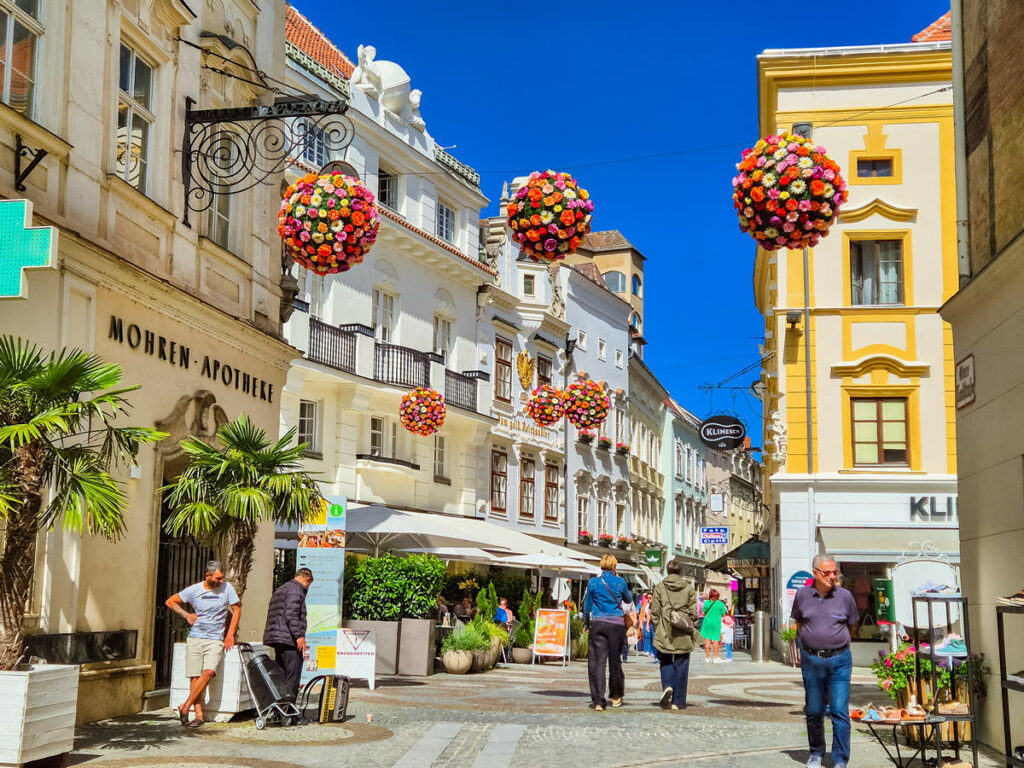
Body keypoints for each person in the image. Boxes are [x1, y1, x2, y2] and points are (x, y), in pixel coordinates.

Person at [790, 553, 859, 768]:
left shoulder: (845, 596)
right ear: (815, 574)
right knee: (814, 709)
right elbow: (798, 623)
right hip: (812, 660)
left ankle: (840, 759)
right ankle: (816, 753)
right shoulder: (802, 595)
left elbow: (853, 626)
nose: (832, 576)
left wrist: (835, 640)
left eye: (834, 572)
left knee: (839, 709)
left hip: (839, 660)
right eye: (826, 572)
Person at [165, 560, 241, 728]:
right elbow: (170, 602)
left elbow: (236, 609)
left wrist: (230, 634)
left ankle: (185, 706)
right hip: (196, 637)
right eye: (218, 578)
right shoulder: (194, 590)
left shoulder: (227, 589)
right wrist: (187, 615)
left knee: (208, 673)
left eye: (222, 578)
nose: (221, 581)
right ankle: (199, 715)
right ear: (208, 576)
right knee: (194, 676)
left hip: (215, 639)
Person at [582, 553, 634, 711]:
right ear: (614, 566)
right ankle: (616, 696)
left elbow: (587, 606)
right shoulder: (620, 582)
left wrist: (586, 623)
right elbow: (628, 599)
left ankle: (598, 701)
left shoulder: (593, 582)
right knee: (615, 661)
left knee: (597, 662)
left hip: (598, 624)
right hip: (617, 626)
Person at [650, 560, 699, 709]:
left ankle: (668, 685)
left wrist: (658, 626)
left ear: (667, 570)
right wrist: (691, 624)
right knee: (682, 662)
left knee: (664, 658)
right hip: (682, 628)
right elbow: (694, 611)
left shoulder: (659, 587)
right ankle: (678, 701)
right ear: (680, 572)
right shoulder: (689, 588)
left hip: (665, 627)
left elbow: (655, 611)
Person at [262, 567, 313, 699]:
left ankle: (279, 711)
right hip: (288, 639)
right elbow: (291, 614)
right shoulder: (296, 590)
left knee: (281, 676)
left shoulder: (282, 588)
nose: (308, 588)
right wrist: (299, 636)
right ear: (307, 579)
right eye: (309, 584)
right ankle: (289, 711)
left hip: (278, 639)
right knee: (292, 676)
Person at [700, 589, 727, 663]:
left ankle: (707, 658)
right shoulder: (720, 603)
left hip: (707, 622)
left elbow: (703, 613)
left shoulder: (706, 603)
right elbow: (723, 614)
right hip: (716, 623)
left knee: (707, 639)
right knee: (716, 639)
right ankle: (716, 657)